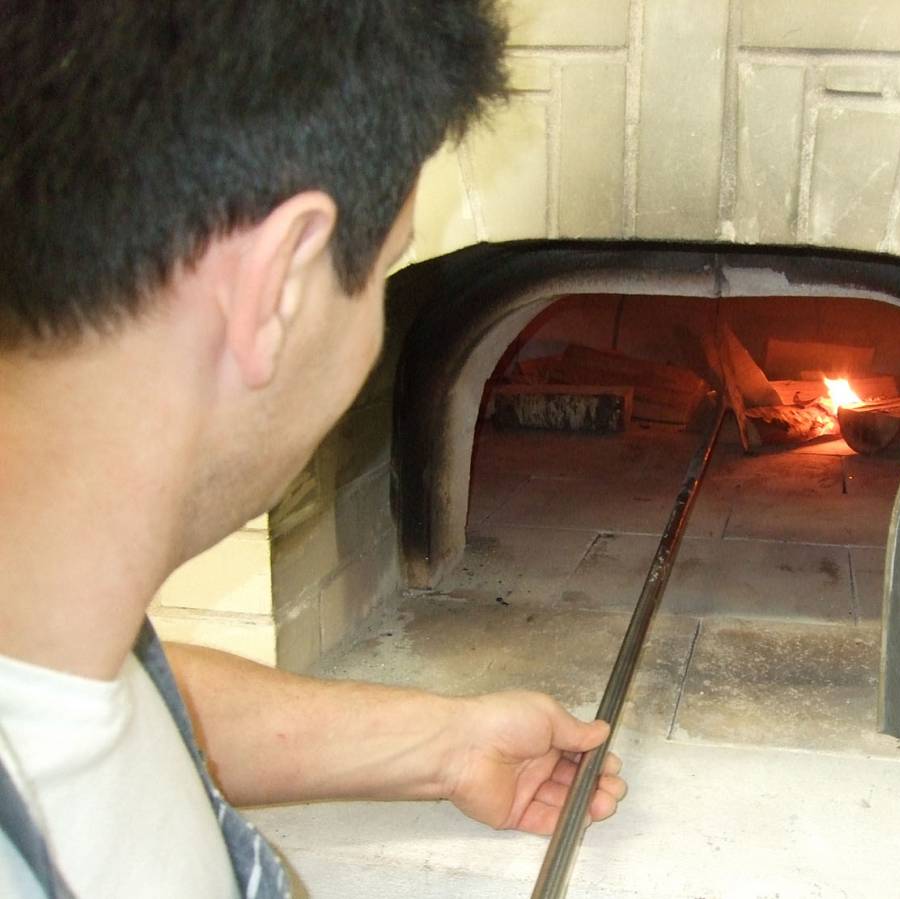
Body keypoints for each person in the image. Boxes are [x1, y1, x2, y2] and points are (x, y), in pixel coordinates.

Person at [0, 2, 626, 896]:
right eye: (383, 268)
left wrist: (446, 745)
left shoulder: (53, 623)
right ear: (277, 287)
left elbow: (128, 686)